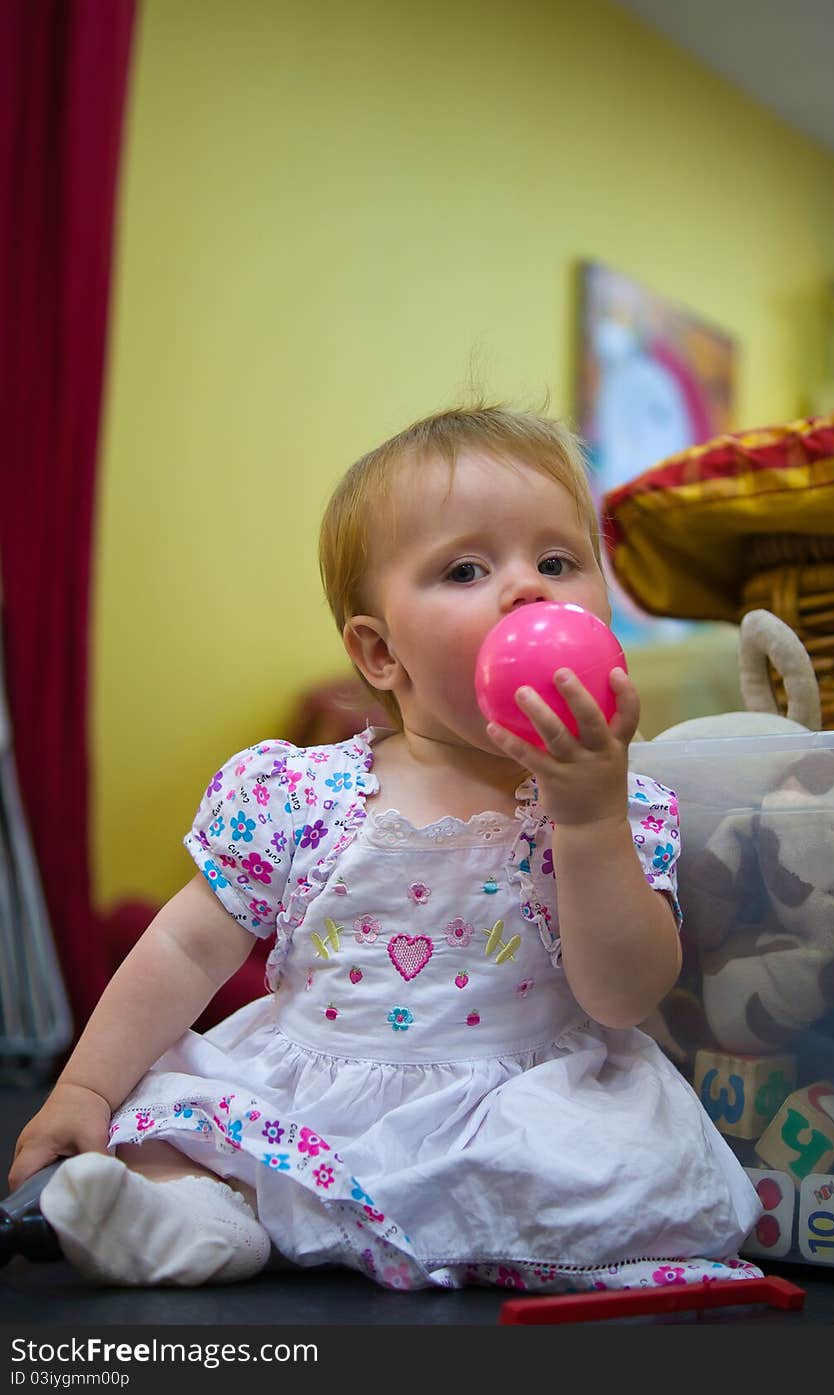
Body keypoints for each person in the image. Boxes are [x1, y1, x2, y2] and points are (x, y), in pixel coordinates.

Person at [8, 403, 762, 1291]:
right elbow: (183, 945)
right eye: (467, 568)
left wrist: (587, 814)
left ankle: (331, 1225)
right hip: (312, 1092)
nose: (528, 590)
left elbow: (625, 995)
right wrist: (86, 1090)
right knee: (188, 1139)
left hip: (514, 1107)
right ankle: (189, 1223)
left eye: (558, 561)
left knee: (621, 1179)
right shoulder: (298, 794)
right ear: (378, 649)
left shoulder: (619, 803)